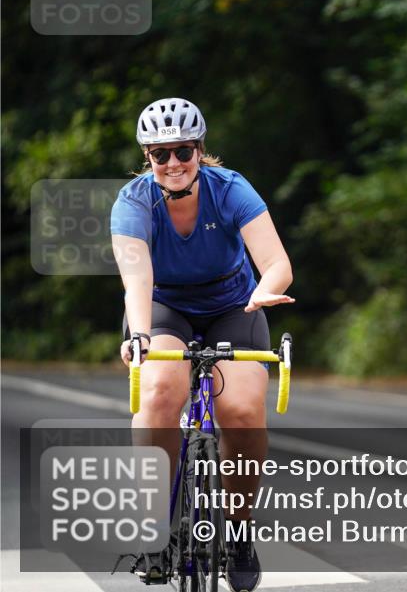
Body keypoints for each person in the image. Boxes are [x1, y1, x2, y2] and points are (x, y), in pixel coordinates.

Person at [111, 98, 294, 592]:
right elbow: (136, 279)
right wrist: (141, 335)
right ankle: (154, 526)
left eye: (183, 151)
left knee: (240, 407)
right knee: (159, 394)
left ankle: (238, 529)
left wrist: (263, 288)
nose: (173, 163)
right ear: (147, 158)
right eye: (160, 154)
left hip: (236, 305)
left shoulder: (230, 189)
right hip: (163, 307)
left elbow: (276, 262)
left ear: (200, 149)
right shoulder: (132, 202)